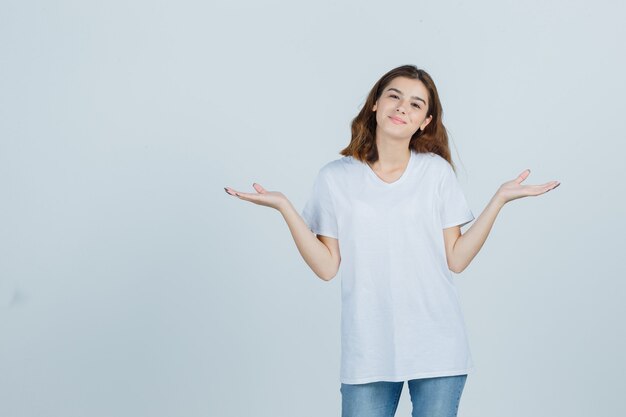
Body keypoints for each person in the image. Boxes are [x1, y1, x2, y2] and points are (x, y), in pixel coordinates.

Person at [224, 64, 560, 417]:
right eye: (394, 96)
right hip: (368, 350)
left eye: (416, 104)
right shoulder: (335, 178)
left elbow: (456, 259)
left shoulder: (436, 173)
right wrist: (284, 207)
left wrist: (499, 199)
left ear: (425, 122)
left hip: (438, 348)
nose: (402, 107)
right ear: (375, 104)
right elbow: (326, 267)